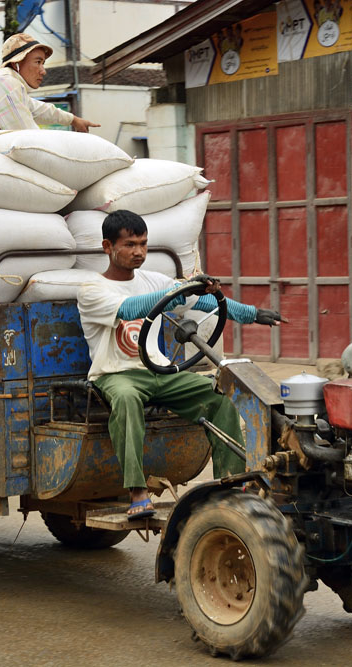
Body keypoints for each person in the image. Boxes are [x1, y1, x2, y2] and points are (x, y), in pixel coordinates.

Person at [77, 210, 284, 519]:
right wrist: (178, 291)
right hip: (116, 376)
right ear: (108, 247)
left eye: (144, 244)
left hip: (158, 371)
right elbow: (133, 307)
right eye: (130, 245)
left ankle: (232, 488)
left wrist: (252, 314)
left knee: (219, 393)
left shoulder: (154, 280)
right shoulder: (91, 290)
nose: (139, 252)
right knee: (126, 399)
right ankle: (136, 490)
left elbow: (205, 302)